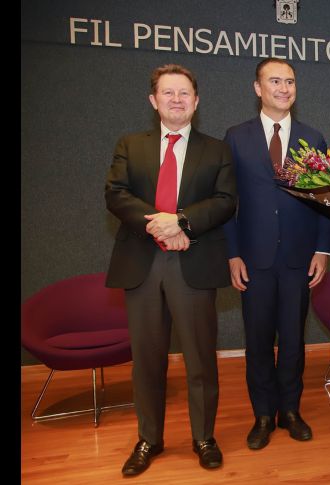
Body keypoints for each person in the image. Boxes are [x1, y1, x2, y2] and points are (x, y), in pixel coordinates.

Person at [105, 64, 237, 476]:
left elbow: (225, 201)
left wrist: (181, 221)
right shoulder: (131, 144)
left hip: (192, 264)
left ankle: (204, 437)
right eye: (168, 93)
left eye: (184, 93)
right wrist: (159, 223)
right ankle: (149, 438)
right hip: (143, 264)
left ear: (196, 102)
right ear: (153, 100)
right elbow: (116, 194)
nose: (176, 99)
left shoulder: (216, 149)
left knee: (200, 359)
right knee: (146, 360)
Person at [223, 58, 330, 451]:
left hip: (298, 260)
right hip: (253, 260)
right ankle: (263, 415)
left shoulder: (312, 137)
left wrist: (323, 249)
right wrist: (233, 254)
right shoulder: (236, 137)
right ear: (257, 88)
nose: (284, 88)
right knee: (257, 341)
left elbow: (326, 201)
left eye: (290, 81)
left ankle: (290, 411)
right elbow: (226, 203)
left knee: (292, 340)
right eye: (275, 81)